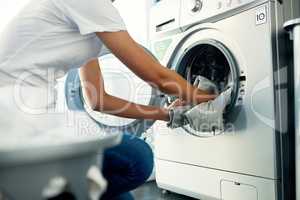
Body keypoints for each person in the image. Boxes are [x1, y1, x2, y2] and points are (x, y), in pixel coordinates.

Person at [0, 0, 216, 199]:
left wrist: (169, 113)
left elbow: (99, 100)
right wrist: (211, 99)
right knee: (138, 158)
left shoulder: (90, 21)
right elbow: (157, 76)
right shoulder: (91, 4)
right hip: (13, 121)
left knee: (123, 196)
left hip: (28, 120)